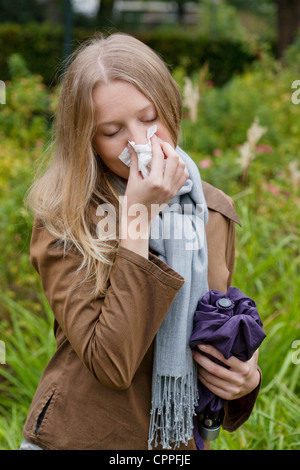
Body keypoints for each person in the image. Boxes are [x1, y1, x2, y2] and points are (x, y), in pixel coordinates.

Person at [20, 33, 261, 451]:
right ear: (87, 142)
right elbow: (111, 363)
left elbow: (211, 330)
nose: (141, 143)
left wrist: (244, 380)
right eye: (113, 131)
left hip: (178, 445)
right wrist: (136, 217)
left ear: (170, 106)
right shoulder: (65, 219)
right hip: (83, 437)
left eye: (150, 118)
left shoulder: (213, 211)